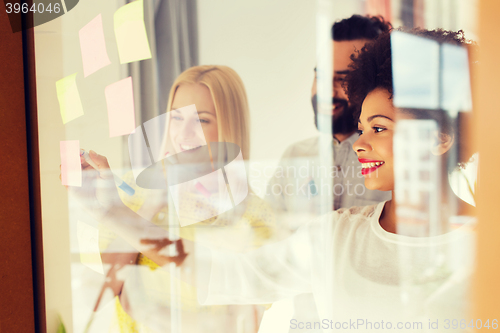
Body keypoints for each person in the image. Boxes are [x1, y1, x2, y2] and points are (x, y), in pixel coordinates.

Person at [195, 28, 476, 333]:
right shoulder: (335, 235)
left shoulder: (486, 245)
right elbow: (235, 276)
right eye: (362, 128)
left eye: (379, 129)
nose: (359, 143)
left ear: (439, 138)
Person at [66, 65, 277, 333]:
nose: (183, 134)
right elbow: (100, 295)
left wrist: (148, 311)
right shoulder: (133, 189)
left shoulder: (254, 216)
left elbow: (237, 326)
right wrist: (148, 205)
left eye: (201, 120)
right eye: (176, 118)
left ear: (230, 126)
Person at [266, 15, 392, 233]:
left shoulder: (392, 163)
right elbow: (268, 238)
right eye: (321, 77)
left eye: (344, 79)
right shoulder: (295, 156)